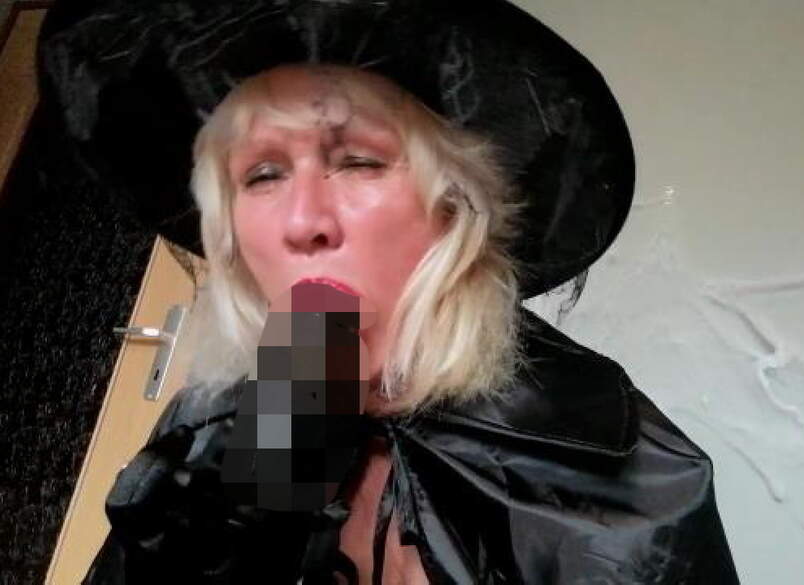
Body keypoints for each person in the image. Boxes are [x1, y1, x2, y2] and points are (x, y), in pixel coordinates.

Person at [37, 0, 742, 584]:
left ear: (453, 206)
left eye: (358, 161)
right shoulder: (217, 425)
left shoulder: (601, 464)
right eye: (262, 175)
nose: (303, 220)